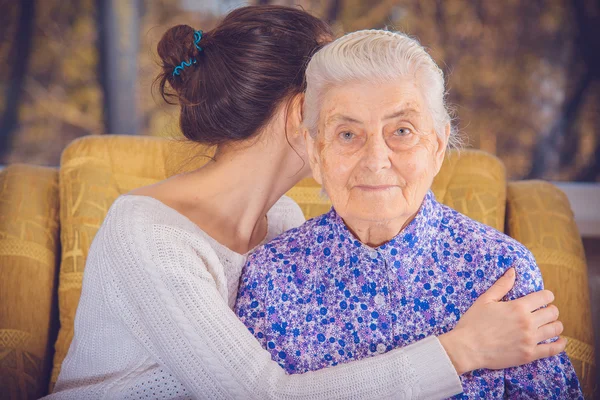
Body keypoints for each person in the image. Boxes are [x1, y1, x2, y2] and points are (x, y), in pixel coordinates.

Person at [48, 7, 566, 399]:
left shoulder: (281, 222)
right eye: (345, 121)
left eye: (402, 129)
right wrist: (461, 350)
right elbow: (259, 395)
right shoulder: (149, 235)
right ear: (305, 114)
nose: (374, 156)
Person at [234, 30, 582, 399]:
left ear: (437, 145)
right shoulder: (269, 276)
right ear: (315, 151)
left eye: (402, 131)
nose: (375, 161)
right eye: (348, 135)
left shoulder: (501, 269)